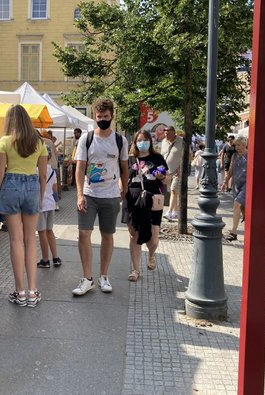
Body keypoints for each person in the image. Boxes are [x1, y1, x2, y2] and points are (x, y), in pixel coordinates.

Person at [73, 98, 128, 296]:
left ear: (112, 116)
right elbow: (79, 170)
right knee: (83, 234)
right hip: (89, 194)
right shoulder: (86, 139)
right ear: (94, 117)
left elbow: (124, 168)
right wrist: (79, 194)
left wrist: (124, 187)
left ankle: (104, 276)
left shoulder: (120, 140)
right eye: (99, 117)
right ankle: (87, 278)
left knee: (107, 235)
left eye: (105, 116)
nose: (102, 120)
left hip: (111, 195)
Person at [0, 105, 47, 307]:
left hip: (10, 187)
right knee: (30, 240)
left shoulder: (5, 142)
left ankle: (20, 291)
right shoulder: (39, 142)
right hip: (32, 186)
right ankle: (33, 291)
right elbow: (42, 175)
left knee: (16, 240)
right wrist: (40, 197)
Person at [124, 130, 169, 282]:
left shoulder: (157, 158)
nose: (142, 142)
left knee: (153, 234)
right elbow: (123, 177)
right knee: (133, 234)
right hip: (132, 199)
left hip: (153, 198)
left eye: (145, 139)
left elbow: (167, 178)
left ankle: (151, 253)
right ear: (135, 142)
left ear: (150, 141)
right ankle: (135, 269)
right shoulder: (129, 159)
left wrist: (162, 177)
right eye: (139, 140)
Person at [37, 148, 61, 269]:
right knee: (49, 231)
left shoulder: (36, 170)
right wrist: (57, 202)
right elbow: (55, 189)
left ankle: (45, 259)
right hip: (51, 203)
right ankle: (56, 258)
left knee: (41, 232)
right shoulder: (52, 171)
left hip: (40, 204)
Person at [221, 137, 248, 241]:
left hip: (246, 184)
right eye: (236, 145)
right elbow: (231, 170)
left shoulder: (250, 154)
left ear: (245, 144)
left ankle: (233, 232)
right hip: (237, 185)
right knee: (242, 208)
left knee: (236, 204)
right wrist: (225, 181)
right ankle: (249, 228)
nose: (237, 147)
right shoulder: (234, 155)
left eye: (239, 145)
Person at [161, 126, 184, 220]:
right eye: (165, 133)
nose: (166, 135)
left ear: (174, 133)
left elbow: (188, 156)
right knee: (172, 191)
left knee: (174, 190)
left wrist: (181, 168)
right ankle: (175, 211)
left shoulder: (181, 141)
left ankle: (169, 212)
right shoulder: (163, 142)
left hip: (178, 171)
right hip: (167, 171)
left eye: (169, 133)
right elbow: (163, 155)